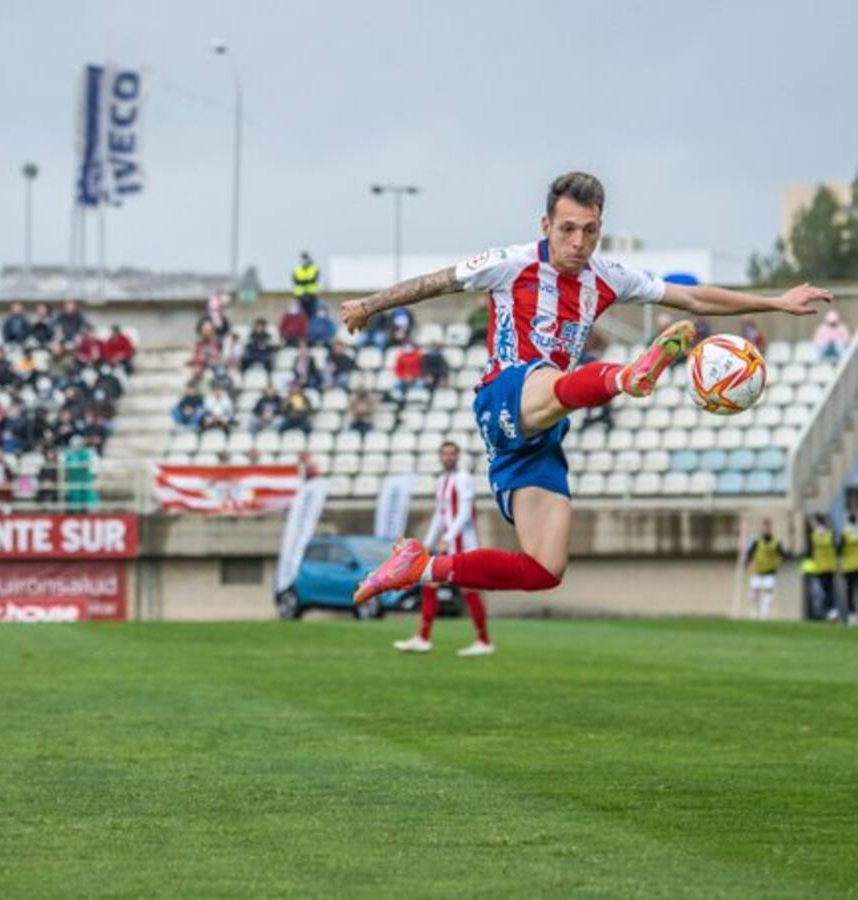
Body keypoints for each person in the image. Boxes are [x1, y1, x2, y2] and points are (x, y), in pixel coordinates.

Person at [343, 172, 831, 611]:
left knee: (544, 568)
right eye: (568, 229)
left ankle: (420, 567)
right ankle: (627, 376)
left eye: (590, 230)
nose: (579, 242)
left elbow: (695, 297)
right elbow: (436, 283)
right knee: (548, 380)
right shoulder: (508, 262)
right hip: (506, 392)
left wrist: (776, 302)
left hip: (547, 422)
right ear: (546, 224)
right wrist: (370, 303)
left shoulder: (608, 277)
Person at [393, 442, 492, 656]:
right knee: (430, 584)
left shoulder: (464, 478)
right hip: (447, 545)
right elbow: (440, 514)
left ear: (457, 456)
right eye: (445, 454)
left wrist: (447, 537)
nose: (448, 457)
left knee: (468, 591)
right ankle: (423, 638)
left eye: (452, 454)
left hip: (464, 545)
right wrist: (429, 540)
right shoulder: (442, 480)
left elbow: (464, 513)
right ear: (440, 457)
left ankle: (484, 641)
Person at [744, 518, 787, 620]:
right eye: (764, 527)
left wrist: (779, 562)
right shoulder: (756, 542)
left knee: (768, 591)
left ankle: (764, 613)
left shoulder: (776, 542)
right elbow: (749, 554)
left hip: (770, 571)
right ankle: (755, 611)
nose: (766, 529)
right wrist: (749, 564)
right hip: (757, 570)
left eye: (767, 527)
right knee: (754, 593)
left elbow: (783, 555)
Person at [807, 513, 840, 621]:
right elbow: (836, 548)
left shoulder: (814, 535)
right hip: (830, 566)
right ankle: (831, 612)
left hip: (820, 567)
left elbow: (811, 551)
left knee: (823, 591)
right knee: (829, 590)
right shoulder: (830, 533)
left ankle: (828, 613)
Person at [838, 512, 858, 626]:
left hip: (849, 566)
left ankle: (852, 617)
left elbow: (839, 549)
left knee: (850, 592)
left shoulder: (845, 533)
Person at [292, 251, 321, 319]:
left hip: (312, 295)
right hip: (300, 296)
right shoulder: (297, 269)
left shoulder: (314, 268)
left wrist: (303, 281)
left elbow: (314, 279)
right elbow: (295, 280)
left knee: (313, 314)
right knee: (300, 315)